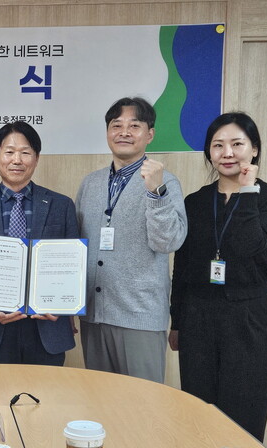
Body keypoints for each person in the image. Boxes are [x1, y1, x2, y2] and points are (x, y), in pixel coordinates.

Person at [170, 112, 267, 441]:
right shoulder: (196, 202)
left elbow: (250, 246)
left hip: (249, 318)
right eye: (218, 145)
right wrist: (177, 321)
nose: (227, 153)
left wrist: (248, 191)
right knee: (198, 414)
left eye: (237, 144)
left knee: (244, 417)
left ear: (254, 149)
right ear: (209, 152)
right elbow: (182, 266)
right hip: (198, 317)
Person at [76, 97, 187, 383]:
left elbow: (168, 242)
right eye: (117, 125)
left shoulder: (166, 182)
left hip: (140, 316)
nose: (124, 132)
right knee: (99, 401)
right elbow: (75, 247)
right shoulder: (91, 183)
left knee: (143, 403)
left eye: (134, 126)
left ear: (150, 134)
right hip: (93, 315)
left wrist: (156, 193)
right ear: (107, 132)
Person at [0, 121, 78, 364]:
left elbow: (75, 266)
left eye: (25, 152)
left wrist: (62, 306)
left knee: (47, 389)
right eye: (9, 152)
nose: (17, 160)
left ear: (36, 158)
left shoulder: (61, 205)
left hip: (46, 326)